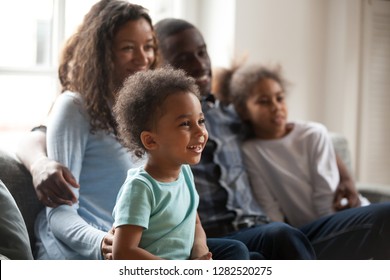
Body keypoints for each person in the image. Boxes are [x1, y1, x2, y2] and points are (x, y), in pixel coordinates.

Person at [14, 0, 253, 261]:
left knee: (251, 250)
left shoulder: (152, 110)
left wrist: (197, 248)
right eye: (128, 48)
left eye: (149, 46)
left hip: (147, 245)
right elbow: (60, 212)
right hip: (94, 249)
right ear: (101, 54)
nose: (143, 58)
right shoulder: (75, 107)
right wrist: (100, 242)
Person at [154, 18, 390, 260]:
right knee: (280, 235)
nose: (200, 64)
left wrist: (347, 177)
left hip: (268, 230)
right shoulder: (158, 127)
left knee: (383, 216)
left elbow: (302, 133)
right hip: (221, 241)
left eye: (202, 52)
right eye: (183, 59)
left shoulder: (234, 116)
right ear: (159, 65)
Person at [228, 64, 369, 227]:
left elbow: (326, 197)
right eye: (264, 102)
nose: (276, 107)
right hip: (310, 233)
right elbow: (270, 207)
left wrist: (333, 236)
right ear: (244, 111)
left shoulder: (313, 134)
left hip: (347, 219)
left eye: (280, 98)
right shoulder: (251, 151)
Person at [112, 67, 211, 260]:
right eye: (185, 124)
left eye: (201, 121)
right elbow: (122, 253)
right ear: (150, 141)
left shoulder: (185, 173)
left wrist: (200, 251)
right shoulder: (140, 188)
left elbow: (195, 223)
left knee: (244, 252)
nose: (200, 132)